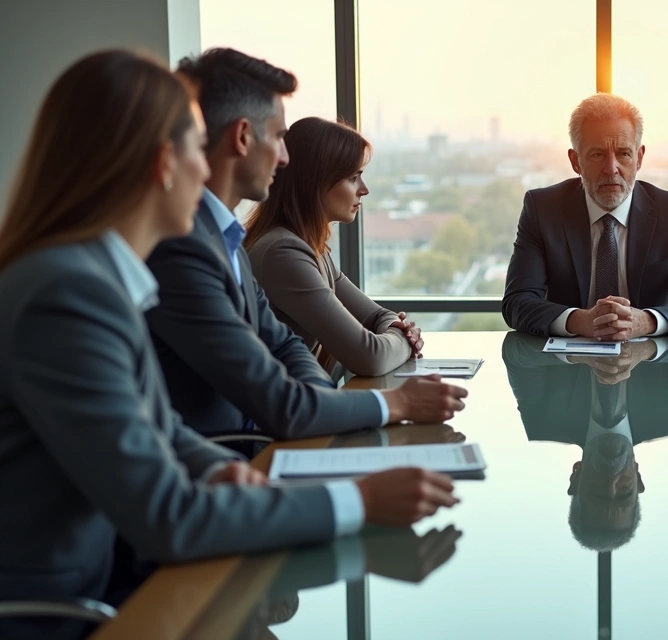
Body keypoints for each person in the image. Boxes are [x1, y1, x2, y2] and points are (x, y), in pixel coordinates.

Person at [0, 50, 458, 640]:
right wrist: (359, 502)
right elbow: (170, 517)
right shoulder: (67, 296)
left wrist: (217, 466)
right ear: (165, 164)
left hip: (113, 573)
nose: (206, 169)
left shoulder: (92, 279)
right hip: (72, 607)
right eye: (196, 146)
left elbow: (157, 428)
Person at [146, 48, 464, 441]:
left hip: (261, 442)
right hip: (237, 452)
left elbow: (286, 349)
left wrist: (329, 404)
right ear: (243, 137)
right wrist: (396, 402)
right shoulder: (233, 249)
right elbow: (346, 362)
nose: (284, 158)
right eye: (279, 137)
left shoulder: (232, 241)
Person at [502, 93, 668, 339]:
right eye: (597, 154)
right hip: (567, 368)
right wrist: (581, 321)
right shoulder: (542, 209)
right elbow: (517, 302)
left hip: (650, 366)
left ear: (639, 158)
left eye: (624, 153)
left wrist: (643, 321)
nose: (611, 168)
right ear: (575, 161)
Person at [502, 331, 668, 551]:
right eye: (623, 492)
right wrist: (647, 350)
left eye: (598, 492)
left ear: (576, 478)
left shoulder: (544, 422)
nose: (612, 480)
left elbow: (515, 350)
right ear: (638, 479)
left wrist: (579, 353)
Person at [245, 117, 421, 377]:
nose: (364, 189)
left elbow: (377, 316)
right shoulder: (282, 253)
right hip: (281, 412)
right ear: (314, 182)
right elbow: (370, 357)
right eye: (354, 178)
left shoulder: (311, 248)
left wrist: (394, 329)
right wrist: (403, 337)